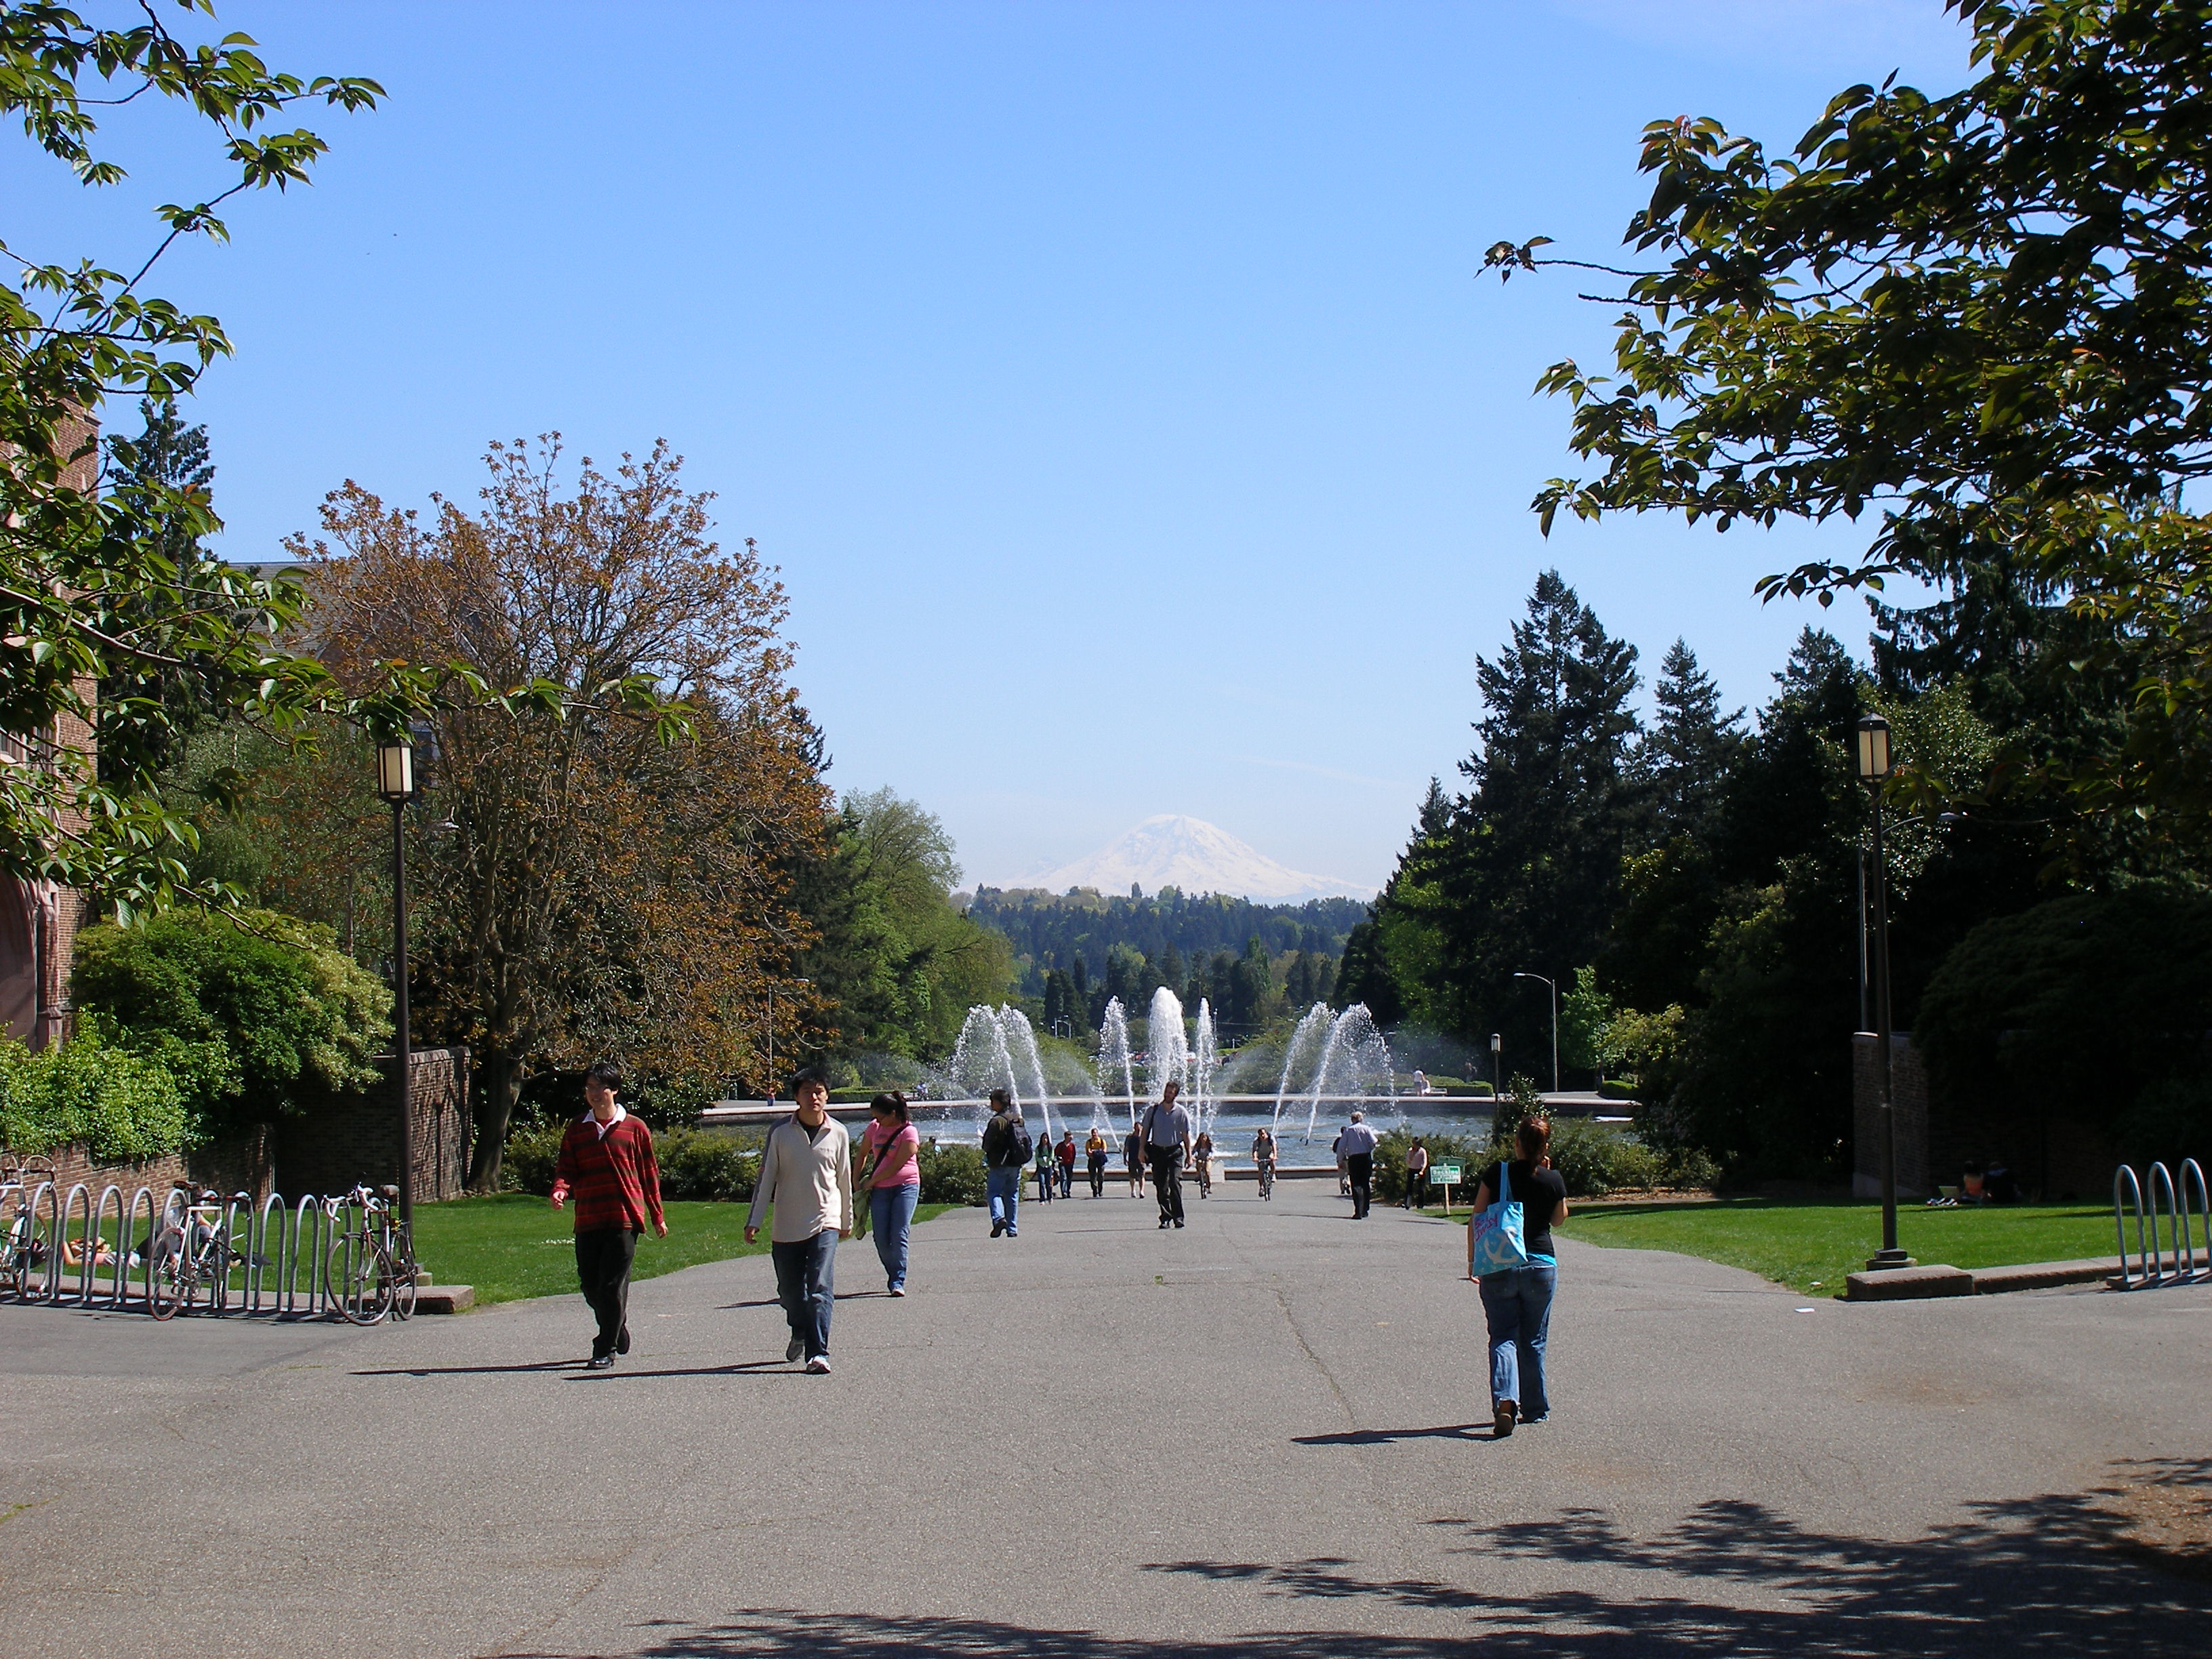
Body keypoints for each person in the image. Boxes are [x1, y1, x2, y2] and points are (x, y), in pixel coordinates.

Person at [550, 1061, 668, 1370]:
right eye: (588, 1088)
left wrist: (657, 1215)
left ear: (613, 1090)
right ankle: (617, 1325)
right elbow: (566, 1167)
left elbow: (649, 1174)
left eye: (599, 1087)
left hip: (624, 1218)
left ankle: (605, 1348)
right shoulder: (578, 1128)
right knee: (590, 1286)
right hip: (588, 1217)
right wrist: (560, 1189)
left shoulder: (635, 1128)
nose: (593, 1093)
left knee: (611, 1286)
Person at [745, 1066, 853, 1373]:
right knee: (790, 1293)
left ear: (827, 1096)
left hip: (825, 1220)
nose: (813, 1097)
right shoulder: (781, 1132)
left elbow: (844, 1180)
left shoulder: (839, 1133)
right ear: (796, 1097)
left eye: (819, 1092)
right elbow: (767, 1178)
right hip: (788, 1225)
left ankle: (819, 1353)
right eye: (807, 1092)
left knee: (820, 1286)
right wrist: (755, 1219)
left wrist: (846, 1219)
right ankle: (800, 1329)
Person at [1469, 1117, 1570, 1437]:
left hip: (1499, 1263)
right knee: (1534, 1339)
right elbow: (1559, 1220)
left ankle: (1505, 1401)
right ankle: (1535, 1408)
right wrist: (1550, 1179)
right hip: (1540, 1264)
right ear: (1545, 1147)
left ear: (1516, 1143)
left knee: (1503, 1335)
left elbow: (1477, 1217)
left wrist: (1473, 1261)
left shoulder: (1497, 1173)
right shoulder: (1553, 1179)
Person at [855, 1091, 920, 1297]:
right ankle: (893, 1273)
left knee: (899, 1233)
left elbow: (897, 1165)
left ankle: (898, 1279)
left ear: (893, 1113)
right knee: (881, 1237)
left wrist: (872, 1181)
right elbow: (862, 1153)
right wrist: (856, 1180)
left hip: (906, 1185)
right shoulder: (874, 1128)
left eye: (880, 1117)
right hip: (880, 1189)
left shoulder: (908, 1132)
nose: (876, 1121)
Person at [1142, 1080, 1192, 1229]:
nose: (1167, 1094)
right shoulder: (1153, 1111)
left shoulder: (1181, 1112)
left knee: (1175, 1183)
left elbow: (1186, 1136)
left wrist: (1189, 1155)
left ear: (1175, 1095)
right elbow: (1145, 1132)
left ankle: (1178, 1217)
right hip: (1158, 1152)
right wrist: (1141, 1150)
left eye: (1171, 1092)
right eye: (1166, 1091)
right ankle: (1165, 1217)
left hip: (1175, 1152)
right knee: (1161, 1186)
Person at [981, 1088, 1030, 1237]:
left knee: (994, 1192)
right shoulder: (1018, 1119)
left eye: (992, 1101)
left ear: (998, 1103)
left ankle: (999, 1219)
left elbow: (986, 1145)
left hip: (999, 1163)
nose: (991, 1104)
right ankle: (1012, 1228)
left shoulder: (997, 1121)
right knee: (1012, 1195)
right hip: (1016, 1162)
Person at [1338, 1110, 1378, 1219]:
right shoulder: (1366, 1129)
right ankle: (1365, 1209)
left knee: (1356, 1184)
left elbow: (1341, 1147)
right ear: (1361, 1119)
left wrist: (1341, 1160)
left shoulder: (1348, 1130)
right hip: (1366, 1157)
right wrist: (1370, 1148)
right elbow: (1374, 1141)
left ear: (1352, 1120)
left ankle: (1358, 1211)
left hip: (1354, 1159)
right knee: (1365, 1183)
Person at [1033, 1124, 1059, 1204]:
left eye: (1046, 1138)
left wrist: (1047, 1159)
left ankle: (1050, 1197)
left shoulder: (1050, 1147)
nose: (1045, 1140)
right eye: (1044, 1138)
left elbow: (1052, 1157)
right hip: (1041, 1167)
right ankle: (1042, 1199)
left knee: (1048, 1183)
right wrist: (1042, 1160)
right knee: (1042, 1183)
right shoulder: (1038, 1148)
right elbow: (1037, 1157)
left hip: (1049, 1166)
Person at [1404, 1137, 1431, 1210]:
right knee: (1409, 1187)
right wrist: (1412, 1154)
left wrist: (1422, 1170)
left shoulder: (1422, 1151)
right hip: (1412, 1169)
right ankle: (1407, 1203)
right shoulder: (1410, 1150)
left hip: (1420, 1170)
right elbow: (1408, 1161)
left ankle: (1420, 1204)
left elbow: (1425, 1162)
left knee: (1421, 1188)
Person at [1252, 1127, 1277, 1200]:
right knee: (1260, 1171)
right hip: (1261, 1156)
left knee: (1271, 1160)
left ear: (1266, 1133)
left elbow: (1274, 1148)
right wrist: (1255, 1157)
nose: (1262, 1136)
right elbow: (1254, 1150)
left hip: (1270, 1154)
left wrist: (1275, 1156)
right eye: (1260, 1135)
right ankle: (1261, 1187)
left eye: (1263, 1134)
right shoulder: (1257, 1141)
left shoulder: (1271, 1138)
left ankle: (1273, 1174)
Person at [1085, 1126, 1109, 1197]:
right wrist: (1098, 1152)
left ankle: (1100, 1190)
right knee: (1092, 1177)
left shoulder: (1102, 1141)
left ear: (1097, 1134)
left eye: (1095, 1133)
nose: (1094, 1135)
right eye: (1093, 1133)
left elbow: (1104, 1151)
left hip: (1100, 1161)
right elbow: (1089, 1152)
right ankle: (1095, 1190)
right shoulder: (1089, 1142)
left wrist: (1094, 1152)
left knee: (1101, 1176)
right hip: (1092, 1160)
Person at [1124, 1122, 1147, 1198]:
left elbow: (1146, 1148)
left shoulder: (1143, 1137)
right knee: (1132, 1175)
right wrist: (1125, 1157)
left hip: (1142, 1159)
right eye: (1137, 1128)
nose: (1138, 1129)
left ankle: (1141, 1191)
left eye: (1140, 1128)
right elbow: (1126, 1148)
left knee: (1142, 1175)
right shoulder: (1130, 1137)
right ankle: (1133, 1190)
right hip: (1132, 1158)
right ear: (1134, 1128)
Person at [1191, 1128, 1214, 1198]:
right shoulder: (1198, 1146)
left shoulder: (1209, 1146)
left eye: (1205, 1137)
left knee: (1207, 1171)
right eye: (1202, 1138)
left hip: (1207, 1159)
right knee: (1199, 1162)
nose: (1203, 1139)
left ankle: (1208, 1185)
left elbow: (1212, 1152)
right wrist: (1193, 1157)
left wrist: (1211, 1157)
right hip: (1200, 1159)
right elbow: (1194, 1152)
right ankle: (1198, 1175)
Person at [1056, 1129, 1078, 1198]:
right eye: (1069, 1136)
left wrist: (1073, 1163)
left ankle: (1068, 1191)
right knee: (1063, 1177)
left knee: (1069, 1178)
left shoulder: (1072, 1146)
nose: (1071, 1138)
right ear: (1066, 1137)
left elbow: (1074, 1155)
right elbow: (1056, 1154)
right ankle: (1064, 1192)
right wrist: (1059, 1159)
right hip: (1062, 1164)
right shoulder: (1060, 1145)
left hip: (1070, 1164)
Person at [1333, 1129, 1349, 1196]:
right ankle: (1347, 1183)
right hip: (1349, 1160)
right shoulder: (1349, 1140)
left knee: (1341, 1175)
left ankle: (1342, 1189)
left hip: (1340, 1160)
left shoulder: (1338, 1140)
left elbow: (1334, 1149)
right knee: (1350, 1174)